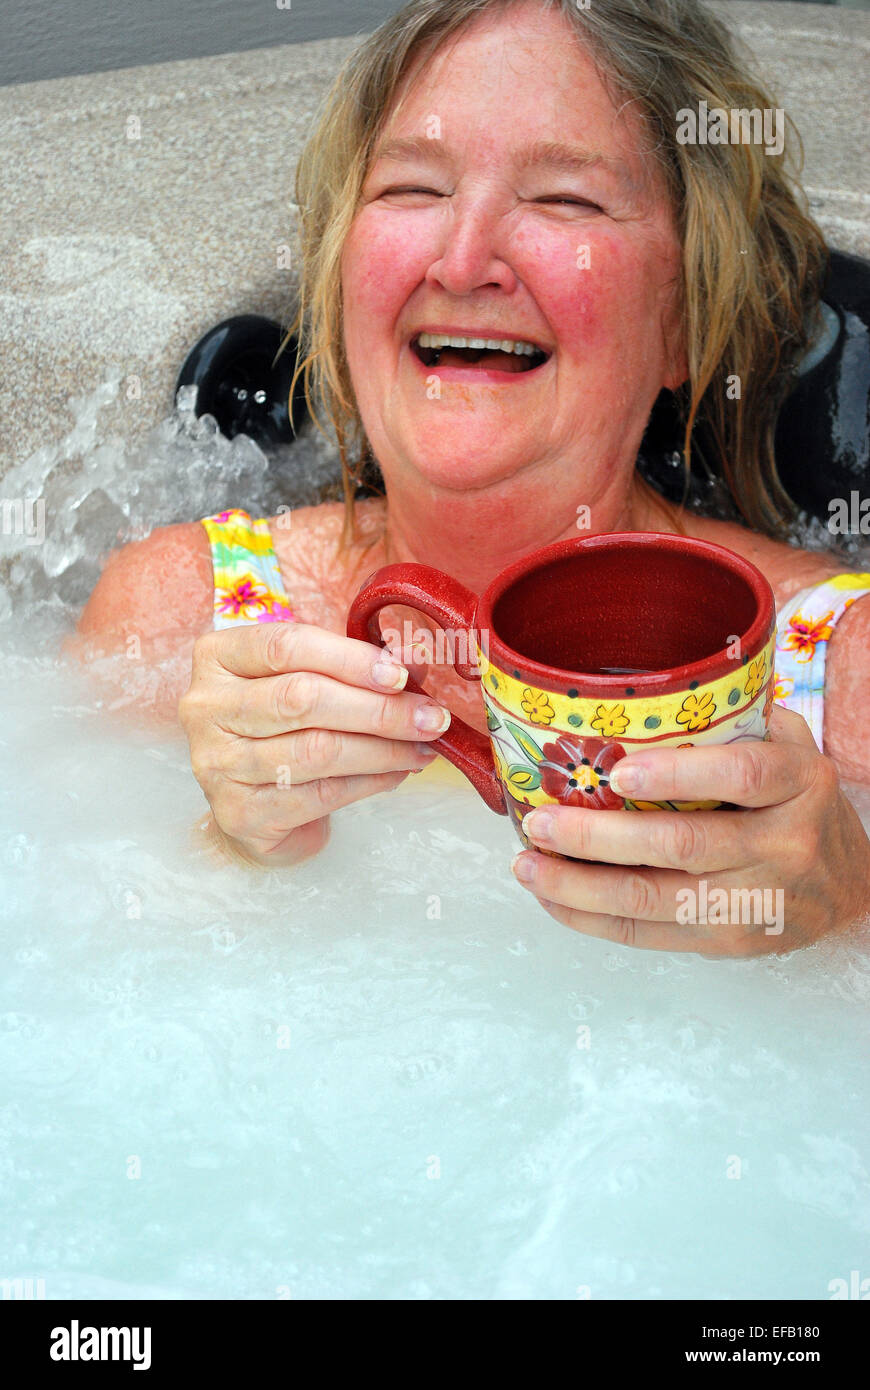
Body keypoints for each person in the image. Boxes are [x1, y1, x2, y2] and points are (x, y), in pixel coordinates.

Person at [73, 0, 870, 955]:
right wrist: (228, 847)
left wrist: (847, 902)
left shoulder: (844, 671)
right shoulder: (180, 613)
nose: (463, 260)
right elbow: (80, 956)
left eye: (565, 200)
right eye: (413, 189)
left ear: (686, 315)